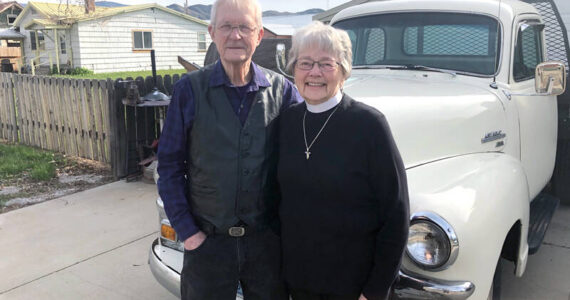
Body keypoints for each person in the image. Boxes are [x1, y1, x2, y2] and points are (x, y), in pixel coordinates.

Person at [156, 0, 300, 298]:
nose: (235, 35)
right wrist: (188, 233)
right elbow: (169, 167)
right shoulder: (189, 91)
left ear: (259, 35)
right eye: (226, 26)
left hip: (266, 247)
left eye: (245, 27)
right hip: (207, 244)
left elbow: (311, 149)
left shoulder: (283, 91)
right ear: (212, 32)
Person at [278, 21, 410, 300]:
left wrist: (374, 290)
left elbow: (395, 215)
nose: (314, 72)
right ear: (294, 68)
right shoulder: (287, 122)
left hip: (354, 288)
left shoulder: (369, 125)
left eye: (326, 64)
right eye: (305, 63)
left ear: (344, 70)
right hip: (297, 284)